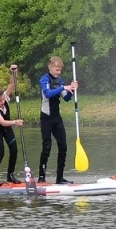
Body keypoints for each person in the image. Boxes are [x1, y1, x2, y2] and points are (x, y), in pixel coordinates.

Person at [37, 55, 78, 185]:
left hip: (56, 118)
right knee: (47, 147)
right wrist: (63, 87)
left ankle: (59, 178)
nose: (58, 72)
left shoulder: (60, 81)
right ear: (50, 67)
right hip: (46, 118)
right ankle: (41, 177)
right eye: (56, 70)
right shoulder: (44, 79)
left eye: (60, 70)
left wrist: (71, 89)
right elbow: (48, 93)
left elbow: (66, 98)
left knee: (63, 147)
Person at [0, 64, 25, 186]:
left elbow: (12, 85)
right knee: (1, 152)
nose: (3, 102)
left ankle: (10, 175)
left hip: (7, 129)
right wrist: (15, 122)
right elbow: (2, 122)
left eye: (3, 99)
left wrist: (14, 73)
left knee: (14, 150)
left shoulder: (4, 97)